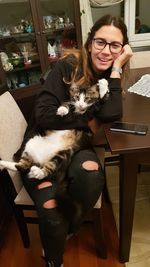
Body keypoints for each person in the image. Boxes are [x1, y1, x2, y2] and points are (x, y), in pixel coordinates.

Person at [14, 14, 133, 267]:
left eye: (115, 46)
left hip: (75, 146)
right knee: (50, 209)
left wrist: (116, 69)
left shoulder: (112, 74)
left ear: (123, 50)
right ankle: (54, 259)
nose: (106, 51)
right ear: (90, 43)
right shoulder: (67, 66)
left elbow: (112, 113)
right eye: (100, 42)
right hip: (43, 147)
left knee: (91, 175)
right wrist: (88, 122)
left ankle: (69, 228)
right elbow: (44, 116)